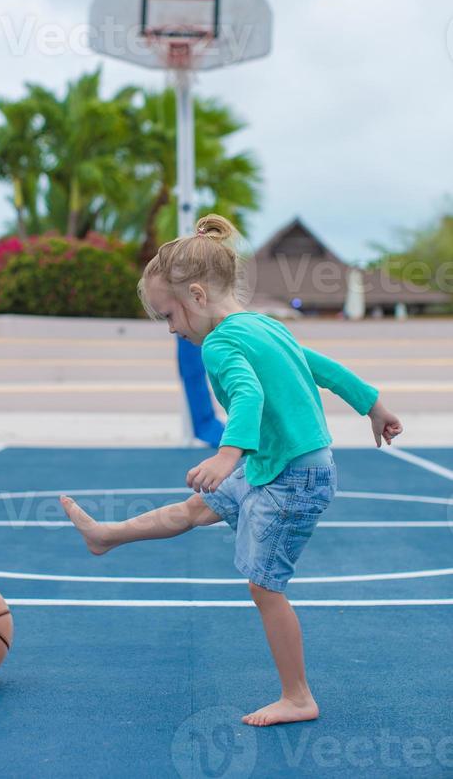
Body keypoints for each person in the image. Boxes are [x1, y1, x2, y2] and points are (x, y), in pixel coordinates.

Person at [60, 213, 403, 727]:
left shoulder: (219, 344)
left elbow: (248, 394)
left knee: (265, 587)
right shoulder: (266, 324)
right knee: (197, 509)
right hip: (287, 464)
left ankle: (298, 696)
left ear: (198, 297)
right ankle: (107, 535)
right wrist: (372, 403)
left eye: (169, 316)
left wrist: (227, 454)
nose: (172, 329)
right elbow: (320, 367)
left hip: (292, 478)